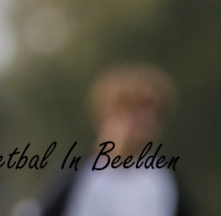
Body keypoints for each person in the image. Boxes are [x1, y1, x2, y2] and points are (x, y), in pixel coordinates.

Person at [27, 64, 194, 216]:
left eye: (153, 112)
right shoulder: (76, 177)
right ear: (106, 114)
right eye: (132, 109)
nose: (145, 120)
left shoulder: (165, 180)